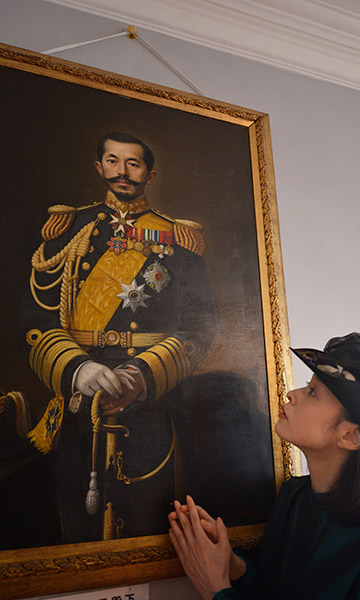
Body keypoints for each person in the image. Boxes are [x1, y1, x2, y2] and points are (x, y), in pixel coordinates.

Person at [17, 132, 218, 542]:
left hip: (148, 402)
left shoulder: (176, 238)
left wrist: (143, 374)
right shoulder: (71, 228)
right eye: (113, 161)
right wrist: (77, 368)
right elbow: (34, 319)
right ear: (99, 167)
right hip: (77, 398)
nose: (122, 172)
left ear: (149, 174)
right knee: (73, 526)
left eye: (133, 163)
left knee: (145, 521)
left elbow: (201, 326)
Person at [169, 332, 360, 599]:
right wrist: (234, 565)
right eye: (307, 385)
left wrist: (215, 589)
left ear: (350, 436)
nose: (291, 394)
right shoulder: (294, 496)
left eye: (312, 392)